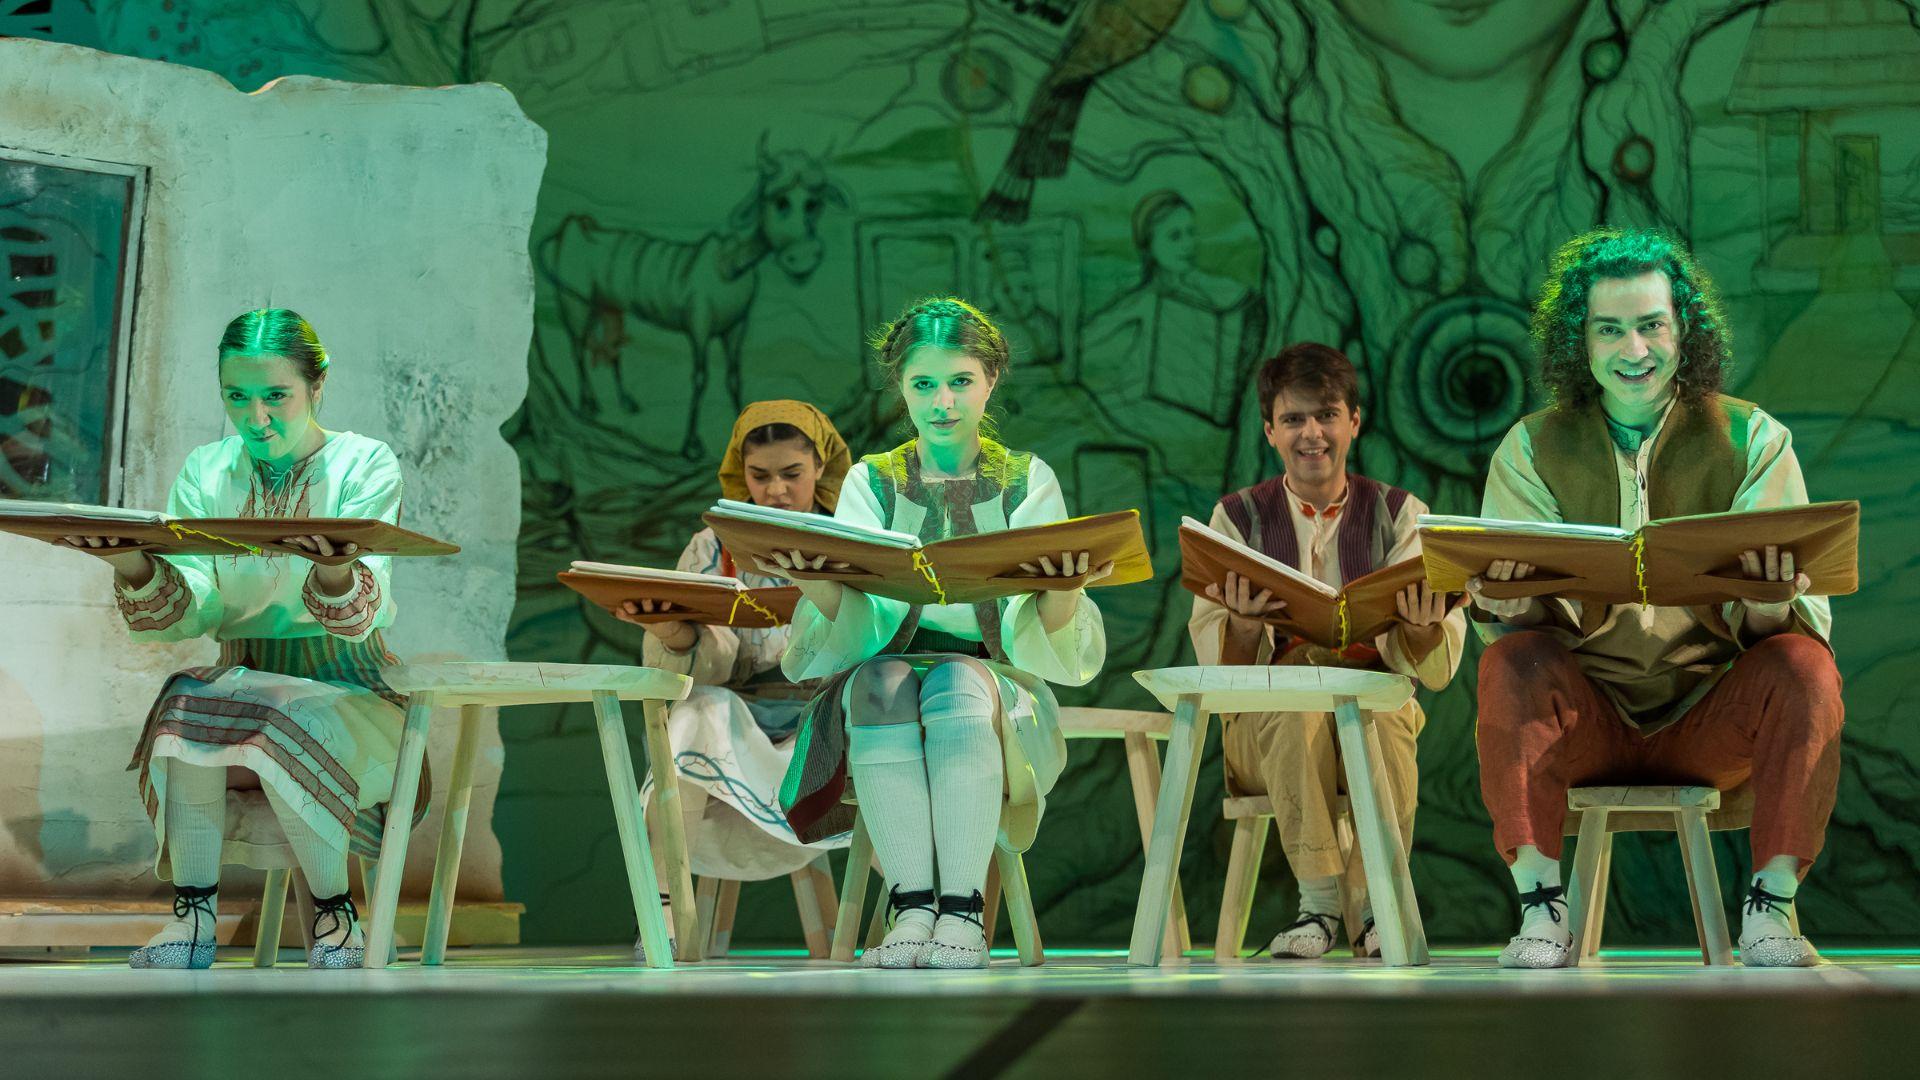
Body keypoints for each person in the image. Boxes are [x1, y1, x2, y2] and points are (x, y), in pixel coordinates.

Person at [1471, 228, 1843, 968]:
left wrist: (1770, 602)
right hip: (1589, 720)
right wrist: (1514, 604)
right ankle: (1541, 908)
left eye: (1651, 325)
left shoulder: (1752, 437)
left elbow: (1794, 626)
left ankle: (1771, 908)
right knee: (1511, 662)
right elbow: (1525, 626)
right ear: (1579, 340)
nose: (1633, 349)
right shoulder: (1531, 447)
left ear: (1684, 330)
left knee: (1805, 668)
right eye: (1609, 329)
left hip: (1709, 719)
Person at [63, 308, 416, 969]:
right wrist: (132, 562)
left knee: (285, 712)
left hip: (352, 687)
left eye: (276, 395)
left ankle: (337, 920)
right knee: (185, 702)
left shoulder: (363, 462)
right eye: (237, 396)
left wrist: (335, 570)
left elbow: (360, 612)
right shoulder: (208, 468)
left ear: (318, 385)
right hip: (246, 680)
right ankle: (192, 920)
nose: (257, 418)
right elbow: (195, 608)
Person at [772, 297, 1109, 969]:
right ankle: (912, 905)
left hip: (998, 682)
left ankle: (962, 907)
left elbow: (1039, 638)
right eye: (924, 383)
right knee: (881, 682)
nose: (943, 402)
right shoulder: (871, 481)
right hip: (885, 671)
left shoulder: (1026, 480)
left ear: (990, 380)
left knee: (957, 680)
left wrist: (1067, 588)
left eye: (960, 381)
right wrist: (814, 581)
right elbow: (858, 621)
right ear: (900, 386)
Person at [1189, 342, 1464, 958]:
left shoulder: (1402, 515)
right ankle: (1318, 906)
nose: (1311, 433)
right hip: (1266, 733)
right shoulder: (1234, 521)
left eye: (1326, 415)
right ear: (1270, 431)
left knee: (1382, 716)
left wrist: (1423, 626)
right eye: (1293, 419)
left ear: (1354, 422)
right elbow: (1220, 678)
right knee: (1296, 706)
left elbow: (1434, 665)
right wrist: (1242, 626)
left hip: (1369, 712)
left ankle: (1375, 910)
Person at [610, 400, 852, 960]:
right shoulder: (714, 546)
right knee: (698, 711)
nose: (775, 490)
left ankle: (914, 910)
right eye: (760, 476)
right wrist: (676, 634)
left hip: (824, 721)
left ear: (820, 466)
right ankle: (663, 910)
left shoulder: (851, 539)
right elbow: (708, 665)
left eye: (791, 473)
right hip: (739, 724)